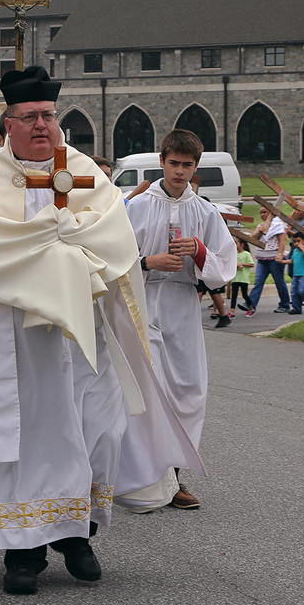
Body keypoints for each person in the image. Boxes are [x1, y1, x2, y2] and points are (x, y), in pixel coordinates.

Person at [0, 66, 202, 595]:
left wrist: (51, 251)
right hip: (14, 339)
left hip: (83, 332)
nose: (42, 126)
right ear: (7, 127)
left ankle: (78, 533)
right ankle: (24, 549)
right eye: (30, 117)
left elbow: (114, 244)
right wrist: (53, 243)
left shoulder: (86, 172)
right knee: (25, 437)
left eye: (48, 116)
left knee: (99, 428)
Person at [126, 128, 236, 505]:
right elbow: (108, 259)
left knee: (187, 389)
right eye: (173, 163)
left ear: (195, 167)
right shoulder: (136, 207)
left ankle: (173, 477)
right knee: (149, 387)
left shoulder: (204, 211)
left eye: (187, 165)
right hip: (144, 299)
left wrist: (200, 251)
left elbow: (225, 265)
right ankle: (143, 476)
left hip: (183, 304)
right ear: (161, 161)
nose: (179, 172)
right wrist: (146, 261)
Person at [245, 205, 291, 317]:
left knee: (279, 282)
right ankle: (250, 305)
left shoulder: (279, 225)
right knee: (258, 282)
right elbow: (253, 238)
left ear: (271, 213)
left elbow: (282, 240)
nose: (262, 215)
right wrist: (260, 231)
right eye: (261, 213)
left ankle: (285, 304)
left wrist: (280, 254)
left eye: (265, 212)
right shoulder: (261, 226)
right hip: (261, 259)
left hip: (274, 259)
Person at [279, 233, 304, 314]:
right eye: (294, 241)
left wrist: (302, 249)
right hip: (295, 274)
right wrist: (282, 261)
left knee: (302, 291)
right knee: (294, 292)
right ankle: (297, 308)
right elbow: (292, 260)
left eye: (298, 241)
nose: (296, 243)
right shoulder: (295, 251)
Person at [229, 236, 254, 317]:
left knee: (244, 295)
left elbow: (251, 264)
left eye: (236, 243)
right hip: (235, 278)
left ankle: (251, 309)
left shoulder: (246, 254)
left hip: (243, 278)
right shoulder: (233, 254)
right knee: (234, 295)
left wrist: (242, 264)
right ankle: (232, 312)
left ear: (242, 244)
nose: (235, 245)